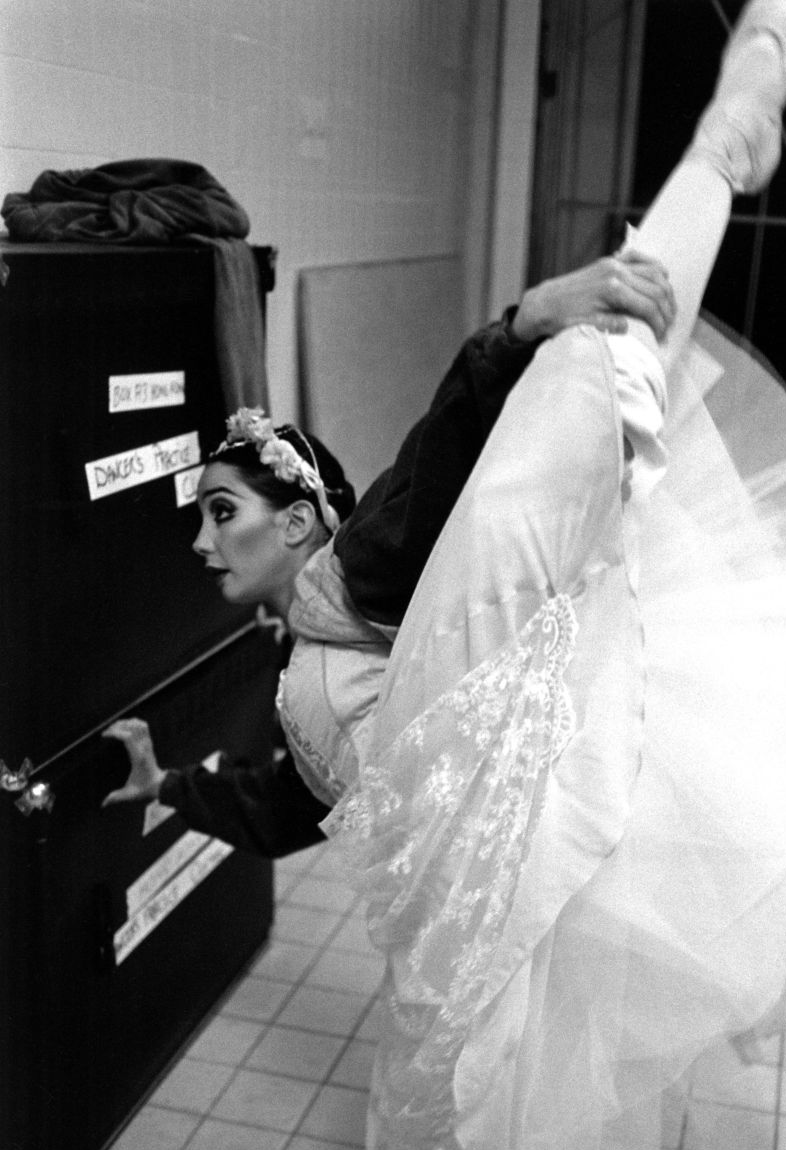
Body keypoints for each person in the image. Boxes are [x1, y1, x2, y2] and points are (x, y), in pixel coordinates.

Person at [282, 0, 786, 1150]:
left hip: (482, 664)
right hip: (481, 678)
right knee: (465, 1026)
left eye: (232, 522)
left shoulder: (538, 437)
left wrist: (529, 315)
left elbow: (630, 275)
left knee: (460, 1029)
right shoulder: (543, 452)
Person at [102, 252, 678, 853]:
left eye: (222, 512)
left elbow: (439, 459)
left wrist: (518, 331)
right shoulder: (315, 634)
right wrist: (166, 785)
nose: (200, 541)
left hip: (525, 863)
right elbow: (287, 809)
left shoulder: (362, 569)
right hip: (476, 891)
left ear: (298, 521)